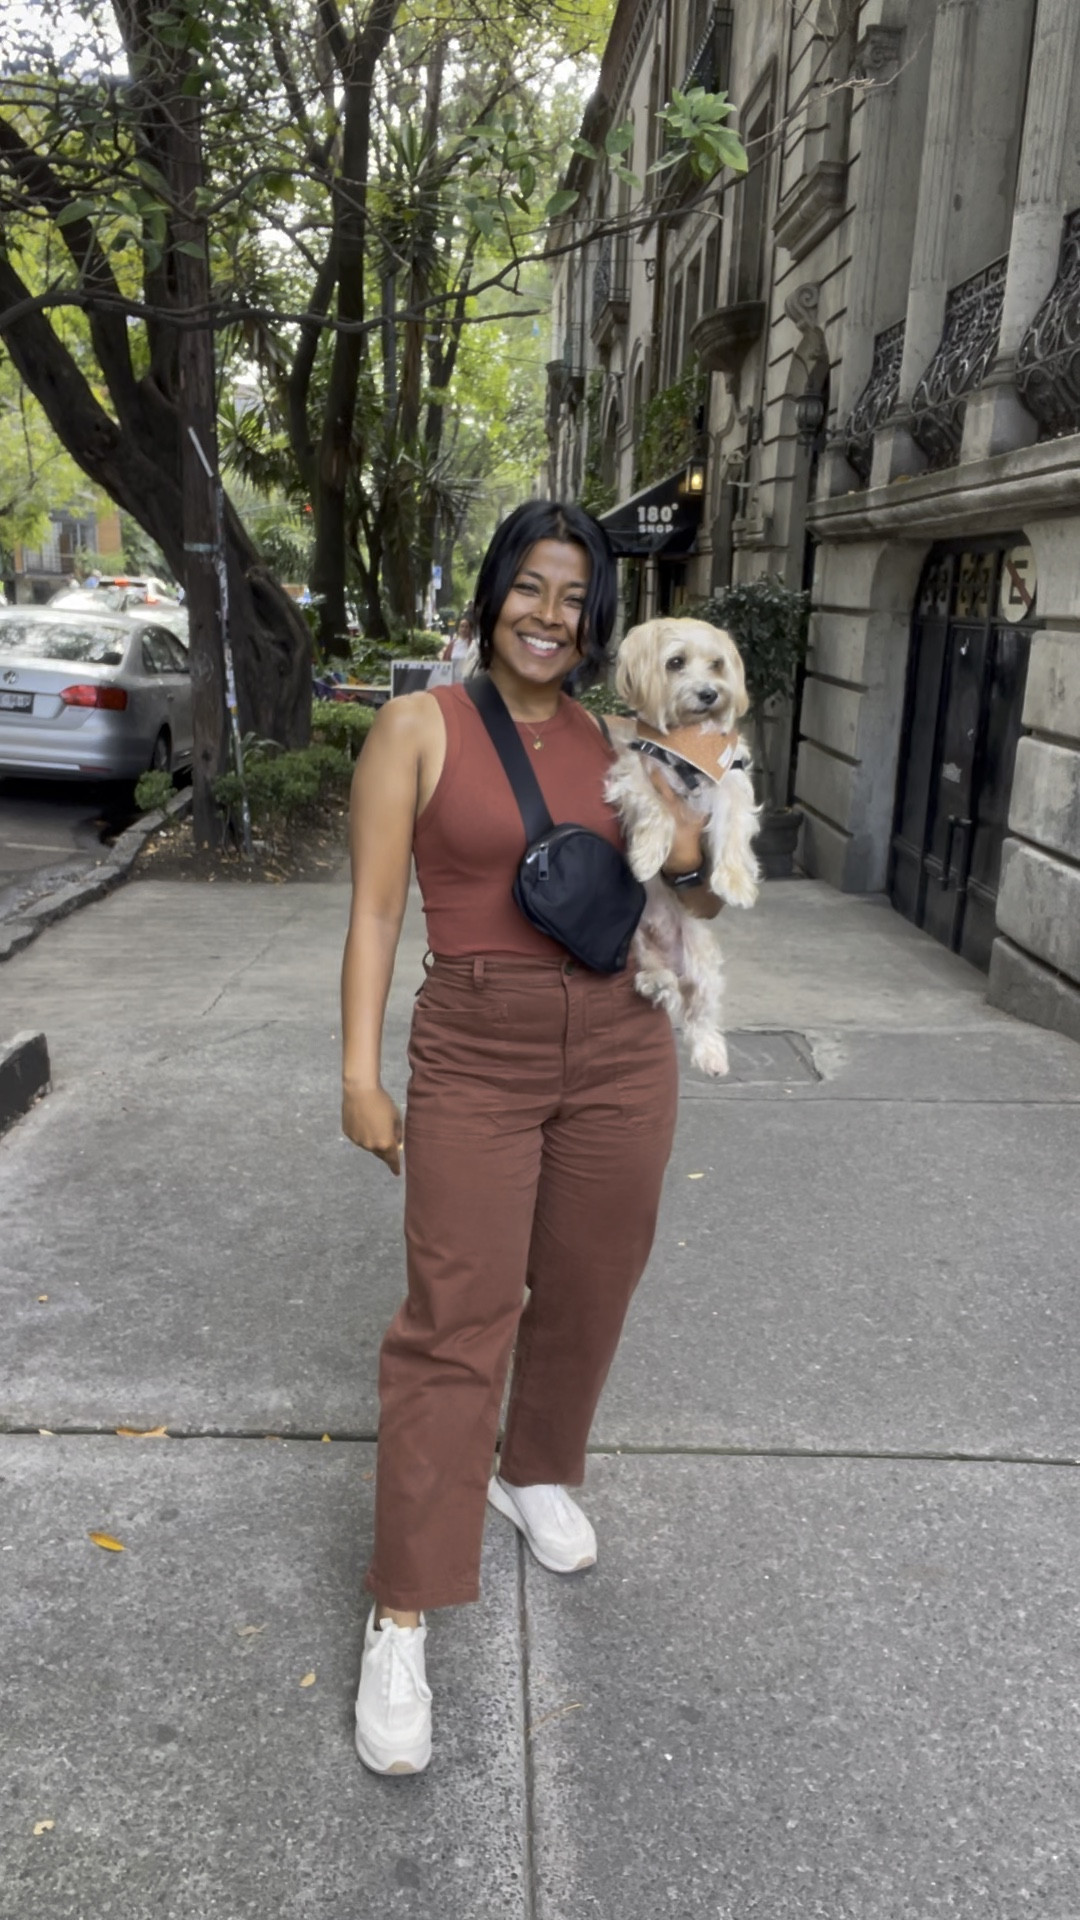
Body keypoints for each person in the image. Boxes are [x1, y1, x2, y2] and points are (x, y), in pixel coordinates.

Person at [341, 500, 721, 1775]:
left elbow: (701, 889)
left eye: (575, 596)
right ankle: (403, 1604)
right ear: (495, 589)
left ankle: (537, 1469)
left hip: (621, 1040)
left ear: (597, 616)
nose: (550, 615)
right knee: (455, 1320)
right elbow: (380, 913)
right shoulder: (417, 728)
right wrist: (359, 1073)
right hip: (478, 1043)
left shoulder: (628, 740)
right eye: (532, 587)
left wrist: (698, 817)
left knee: (592, 1283)